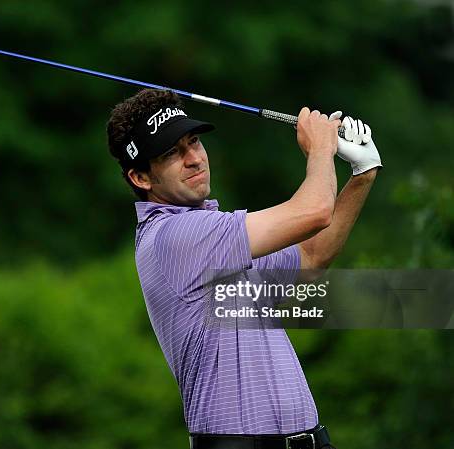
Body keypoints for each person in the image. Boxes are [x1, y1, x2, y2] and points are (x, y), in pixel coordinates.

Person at [106, 88, 381, 449]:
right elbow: (314, 212)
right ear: (141, 178)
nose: (194, 159)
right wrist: (320, 149)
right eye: (172, 153)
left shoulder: (215, 237)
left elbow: (312, 256)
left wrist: (362, 174)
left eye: (194, 143)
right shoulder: (174, 236)